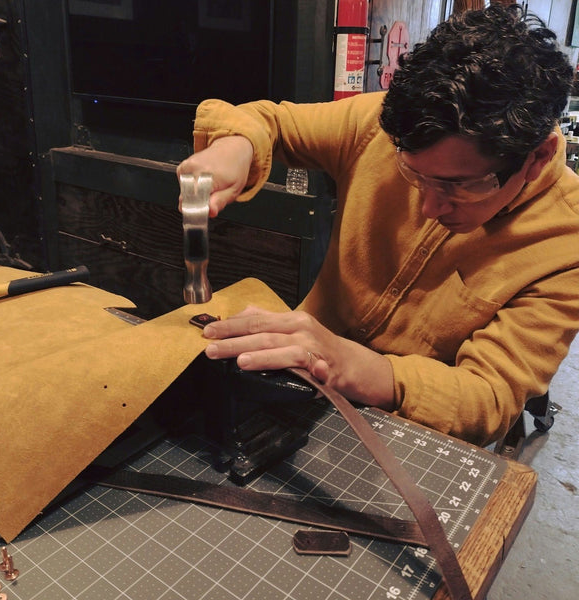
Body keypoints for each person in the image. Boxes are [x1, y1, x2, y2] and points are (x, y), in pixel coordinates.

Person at [176, 3, 579, 446]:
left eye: (459, 186)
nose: (427, 207)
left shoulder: (566, 242)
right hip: (302, 381)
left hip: (415, 433)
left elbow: (488, 399)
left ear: (537, 157)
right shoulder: (377, 126)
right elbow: (271, 122)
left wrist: (352, 364)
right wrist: (238, 145)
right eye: (414, 175)